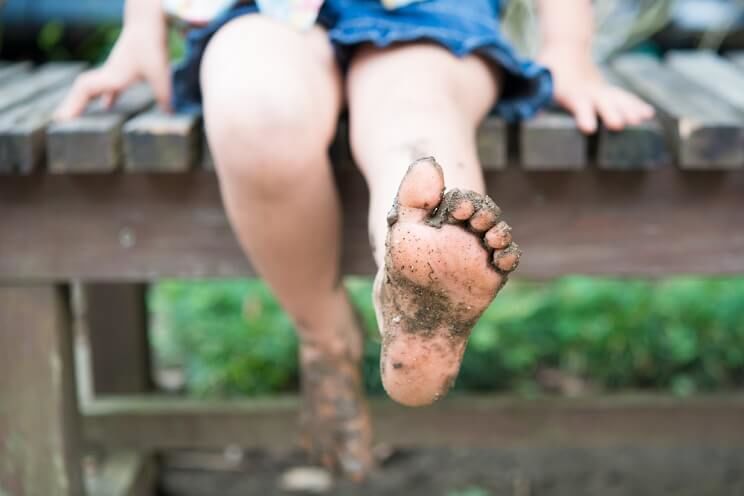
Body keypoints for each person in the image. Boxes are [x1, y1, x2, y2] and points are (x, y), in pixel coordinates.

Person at [54, 0, 654, 479]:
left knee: (416, 122)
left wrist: (568, 51)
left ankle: (410, 268)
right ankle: (335, 325)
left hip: (429, 9)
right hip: (266, 13)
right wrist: (140, 28)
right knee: (259, 110)